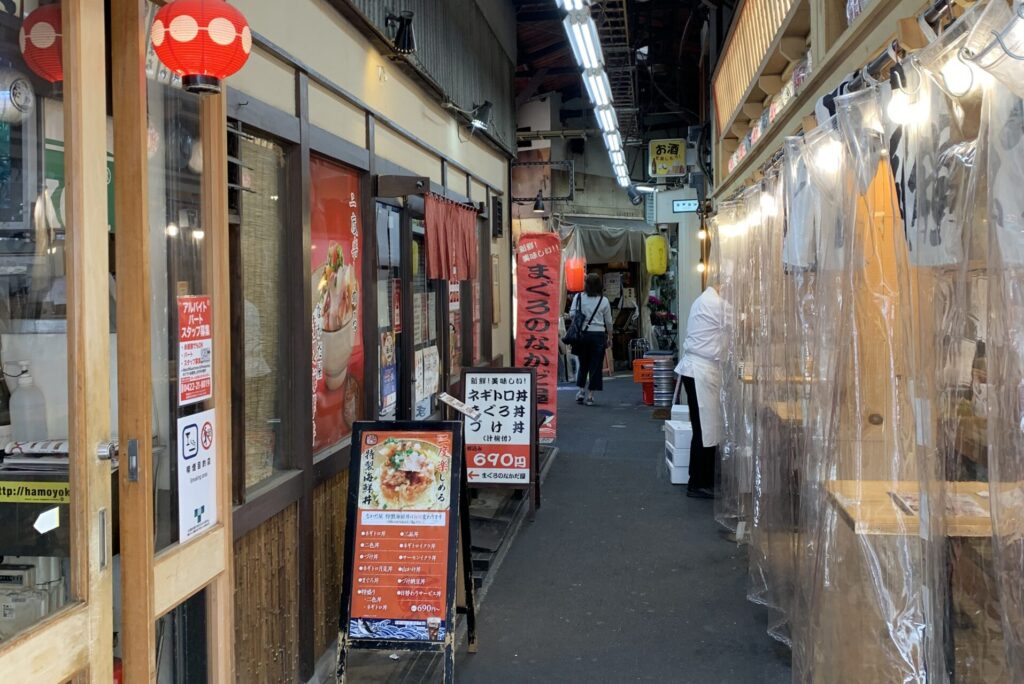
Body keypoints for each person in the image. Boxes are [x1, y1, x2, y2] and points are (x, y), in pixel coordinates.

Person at [676, 280, 725, 499]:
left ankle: (699, 479)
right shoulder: (716, 303)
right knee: (705, 427)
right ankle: (698, 483)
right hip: (701, 372)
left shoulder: (703, 299)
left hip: (695, 370)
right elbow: (746, 324)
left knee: (703, 426)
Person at [570, 273, 613, 406]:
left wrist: (582, 319)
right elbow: (609, 322)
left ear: (586, 285)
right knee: (595, 365)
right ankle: (590, 395)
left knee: (583, 364)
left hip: (582, 335)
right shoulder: (604, 301)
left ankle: (581, 391)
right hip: (598, 336)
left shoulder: (578, 297)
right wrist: (610, 336)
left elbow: (572, 314)